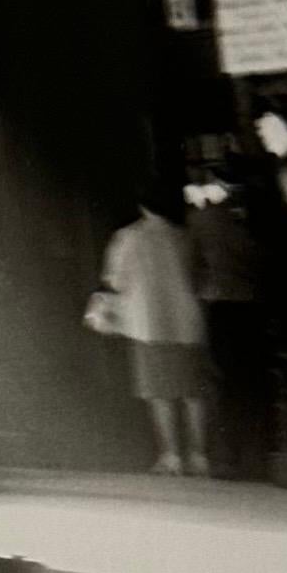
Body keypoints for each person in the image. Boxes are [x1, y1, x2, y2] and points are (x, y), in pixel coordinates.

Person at [97, 188, 211, 475]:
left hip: (148, 324)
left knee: (160, 393)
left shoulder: (128, 238)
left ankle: (171, 455)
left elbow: (115, 280)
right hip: (188, 323)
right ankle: (199, 455)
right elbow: (201, 277)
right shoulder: (184, 237)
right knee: (193, 392)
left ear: (142, 206)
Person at [184, 166, 271, 478]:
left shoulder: (202, 219)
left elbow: (192, 268)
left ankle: (227, 459)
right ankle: (257, 458)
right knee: (253, 382)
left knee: (223, 382)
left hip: (218, 305)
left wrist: (202, 292)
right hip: (251, 305)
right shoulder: (253, 218)